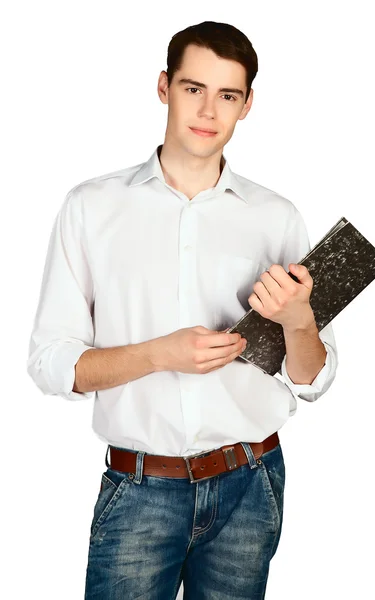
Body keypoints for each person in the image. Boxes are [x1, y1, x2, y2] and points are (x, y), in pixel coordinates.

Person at [27, 20, 338, 600]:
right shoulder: (92, 208)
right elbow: (52, 364)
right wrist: (158, 354)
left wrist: (299, 321)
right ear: (164, 87)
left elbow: (310, 378)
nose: (208, 110)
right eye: (194, 88)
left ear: (247, 105)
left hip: (252, 483)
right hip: (141, 488)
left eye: (227, 95)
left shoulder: (277, 216)